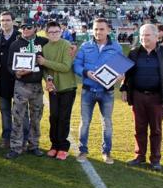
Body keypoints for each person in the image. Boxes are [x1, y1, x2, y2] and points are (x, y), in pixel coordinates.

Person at [121, 24, 163, 171]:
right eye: (141, 35)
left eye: (147, 35)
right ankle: (139, 156)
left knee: (156, 130)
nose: (143, 38)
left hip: (157, 98)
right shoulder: (134, 52)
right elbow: (126, 74)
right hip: (138, 96)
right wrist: (123, 88)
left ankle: (155, 160)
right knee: (139, 128)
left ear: (156, 36)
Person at [74, 18, 123, 164]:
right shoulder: (85, 46)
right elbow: (76, 65)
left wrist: (120, 76)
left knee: (107, 123)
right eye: (95, 29)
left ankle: (106, 152)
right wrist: (86, 72)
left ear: (108, 30)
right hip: (88, 90)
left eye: (101, 29)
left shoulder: (116, 47)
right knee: (85, 122)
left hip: (107, 91)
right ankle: (83, 151)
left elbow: (120, 67)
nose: (98, 32)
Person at [6, 19, 47, 159]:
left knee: (36, 117)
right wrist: (16, 72)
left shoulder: (43, 42)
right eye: (23, 27)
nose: (25, 29)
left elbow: (56, 46)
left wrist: (71, 46)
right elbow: (9, 65)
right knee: (18, 117)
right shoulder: (15, 44)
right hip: (21, 85)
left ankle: (33, 145)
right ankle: (16, 147)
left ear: (35, 28)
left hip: (37, 85)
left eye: (28, 27)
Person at [37, 21, 77, 161]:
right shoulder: (45, 47)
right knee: (53, 117)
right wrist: (47, 79)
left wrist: (45, 62)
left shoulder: (66, 45)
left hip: (67, 87)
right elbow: (45, 70)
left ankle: (63, 147)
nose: (54, 34)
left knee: (63, 117)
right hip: (53, 88)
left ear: (61, 32)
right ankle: (54, 145)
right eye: (51, 32)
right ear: (47, 33)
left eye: (57, 32)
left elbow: (66, 67)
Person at [0, 12, 20, 148]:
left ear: (13, 21)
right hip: (2, 80)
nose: (4, 23)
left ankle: (22, 138)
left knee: (20, 112)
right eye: (2, 20)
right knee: (5, 111)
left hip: (19, 80)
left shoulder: (21, 37)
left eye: (7, 20)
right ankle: (7, 138)